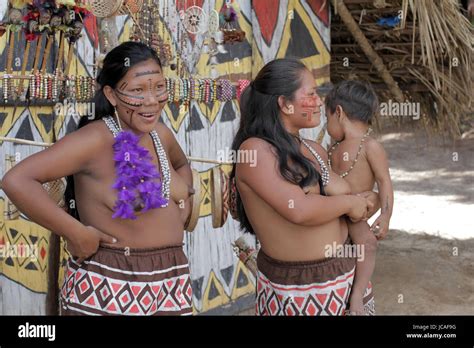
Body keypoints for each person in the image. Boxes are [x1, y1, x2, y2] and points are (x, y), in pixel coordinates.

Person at [2, 41, 194, 316]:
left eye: (158, 87)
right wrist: (76, 232)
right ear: (112, 95)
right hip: (109, 286)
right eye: (138, 90)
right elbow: (16, 180)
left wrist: (186, 197)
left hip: (170, 282)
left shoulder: (160, 135)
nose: (151, 100)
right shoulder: (94, 140)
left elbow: (182, 164)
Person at [230, 58, 379, 316]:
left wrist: (369, 199)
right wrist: (352, 203)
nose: (320, 102)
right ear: (285, 104)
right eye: (310, 94)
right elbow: (299, 209)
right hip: (297, 293)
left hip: (345, 278)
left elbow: (350, 195)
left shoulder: (314, 150)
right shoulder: (255, 151)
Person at [324, 80, 393, 315]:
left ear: (339, 112)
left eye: (327, 118)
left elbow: (384, 181)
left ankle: (356, 297)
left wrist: (385, 216)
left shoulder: (370, 147)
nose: (326, 125)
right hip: (331, 212)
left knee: (367, 244)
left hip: (355, 216)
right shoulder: (333, 148)